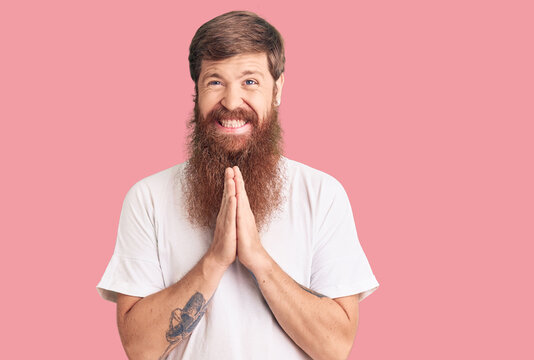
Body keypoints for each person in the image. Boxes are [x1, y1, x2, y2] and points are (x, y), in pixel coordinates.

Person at [97, 10, 378, 360]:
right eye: (215, 82)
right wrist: (214, 261)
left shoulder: (322, 195)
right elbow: (139, 350)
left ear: (277, 90)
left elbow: (335, 347)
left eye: (250, 82)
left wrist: (258, 260)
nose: (231, 102)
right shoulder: (147, 198)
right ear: (196, 92)